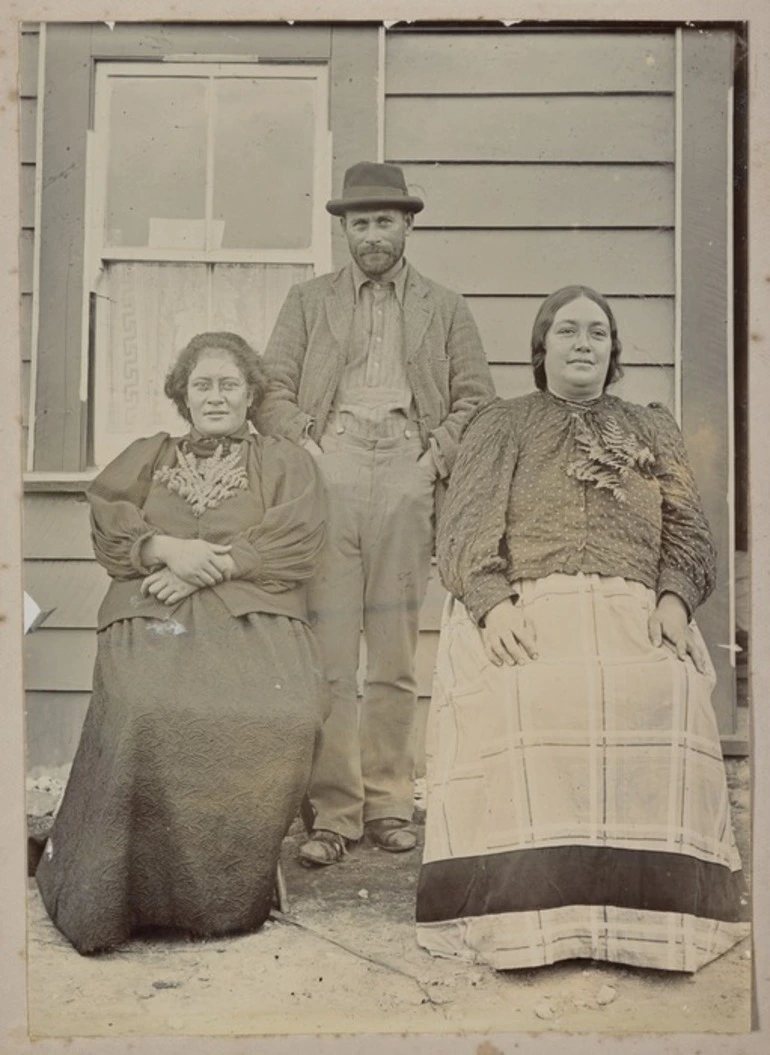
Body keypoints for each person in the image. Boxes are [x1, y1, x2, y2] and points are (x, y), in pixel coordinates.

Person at [415, 286, 749, 972]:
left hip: (635, 608)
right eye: (567, 331)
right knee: (530, 695)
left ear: (613, 351)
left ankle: (647, 924)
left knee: (672, 693)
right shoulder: (503, 422)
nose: (583, 344)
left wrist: (676, 600)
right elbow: (465, 529)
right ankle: (533, 921)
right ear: (542, 349)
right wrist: (492, 603)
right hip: (533, 604)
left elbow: (689, 532)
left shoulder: (652, 429)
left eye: (598, 332)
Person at [36, 332, 328, 955]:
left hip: (255, 612)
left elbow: (298, 536)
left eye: (229, 384)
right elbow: (109, 517)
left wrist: (213, 564)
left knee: (285, 712)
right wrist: (167, 549)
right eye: (203, 384)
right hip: (153, 612)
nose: (216, 396)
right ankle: (123, 895)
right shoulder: (149, 454)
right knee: (146, 709)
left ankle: (222, 894)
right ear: (182, 394)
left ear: (251, 393)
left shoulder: (283, 460)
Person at [256, 161, 495, 866]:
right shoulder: (308, 302)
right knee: (330, 659)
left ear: (407, 224)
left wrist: (429, 463)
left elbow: (476, 398)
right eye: (359, 223)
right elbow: (268, 389)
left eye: (384, 221)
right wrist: (308, 442)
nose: (372, 235)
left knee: (392, 654)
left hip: (404, 469)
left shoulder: (444, 307)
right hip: (329, 468)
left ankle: (391, 800)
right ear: (344, 230)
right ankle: (334, 811)